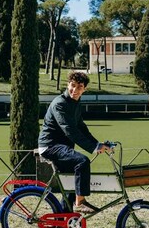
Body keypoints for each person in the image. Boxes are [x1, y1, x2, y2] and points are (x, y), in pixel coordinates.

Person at [38, 71, 111, 214]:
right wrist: (93, 148)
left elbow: (81, 128)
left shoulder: (75, 103)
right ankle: (80, 202)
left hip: (60, 147)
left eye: (79, 87)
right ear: (68, 85)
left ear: (85, 89)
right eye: (73, 85)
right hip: (50, 146)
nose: (75, 90)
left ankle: (63, 218)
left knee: (71, 182)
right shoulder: (60, 103)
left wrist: (97, 144)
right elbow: (70, 131)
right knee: (82, 161)